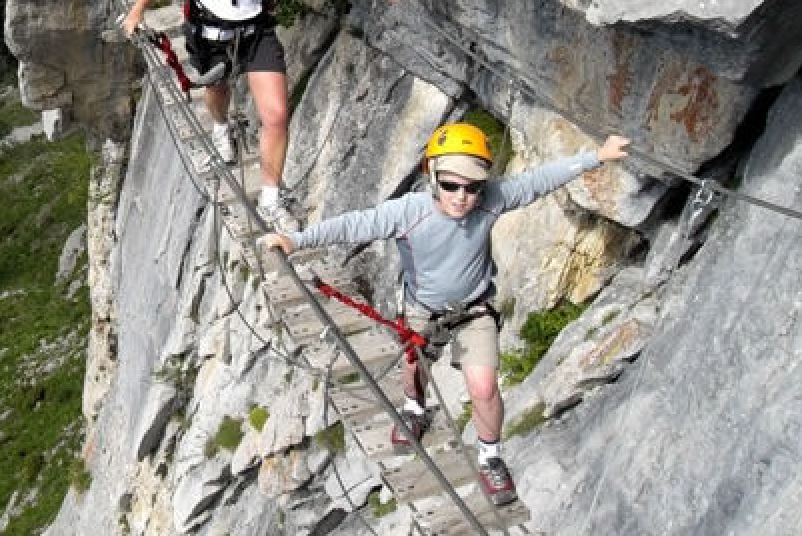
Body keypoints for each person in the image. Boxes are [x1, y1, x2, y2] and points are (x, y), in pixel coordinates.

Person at [261, 122, 632, 506]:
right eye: (451, 185)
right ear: (432, 177)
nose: (461, 197)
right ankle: (414, 408)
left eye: (472, 187)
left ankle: (490, 457)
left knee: (484, 388)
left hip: (474, 311)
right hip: (423, 310)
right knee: (413, 369)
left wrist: (597, 156)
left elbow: (541, 180)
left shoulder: (492, 199)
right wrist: (297, 241)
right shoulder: (410, 212)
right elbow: (354, 224)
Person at [121, 0, 402, 231]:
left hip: (256, 35)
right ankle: (221, 130)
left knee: (276, 115)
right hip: (210, 34)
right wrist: (137, 9)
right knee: (216, 90)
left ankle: (270, 199)